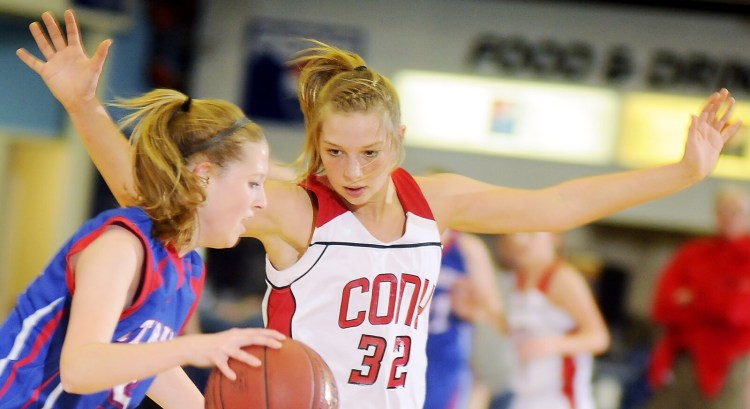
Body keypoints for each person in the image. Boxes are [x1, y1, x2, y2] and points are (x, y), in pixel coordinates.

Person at [19, 9, 742, 408]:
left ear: (399, 142)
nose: (352, 169)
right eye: (334, 152)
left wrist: (682, 171)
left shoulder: (439, 202)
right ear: (315, 145)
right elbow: (160, 203)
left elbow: (558, 203)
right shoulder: (298, 211)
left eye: (369, 153)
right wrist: (84, 109)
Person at [2, 50, 286, 409]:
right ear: (205, 175)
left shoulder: (187, 266)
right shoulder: (123, 246)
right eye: (254, 183)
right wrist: (193, 346)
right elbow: (79, 368)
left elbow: (143, 361)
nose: (261, 202)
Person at [647, 186, 750, 409]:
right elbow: (663, 307)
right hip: (684, 359)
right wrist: (723, 296)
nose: (729, 217)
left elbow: (736, 313)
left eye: (737, 211)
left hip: (731, 364)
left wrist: (694, 298)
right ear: (715, 213)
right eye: (724, 210)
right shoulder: (693, 253)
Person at [493, 232, 611, 409]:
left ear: (556, 237)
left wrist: (552, 345)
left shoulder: (564, 278)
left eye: (532, 234)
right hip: (525, 395)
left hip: (561, 399)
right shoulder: (515, 278)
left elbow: (600, 338)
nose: (522, 240)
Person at [425, 229, 502, 409]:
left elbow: (497, 321)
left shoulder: (467, 247)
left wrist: (472, 308)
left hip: (445, 365)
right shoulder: (395, 235)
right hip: (395, 360)